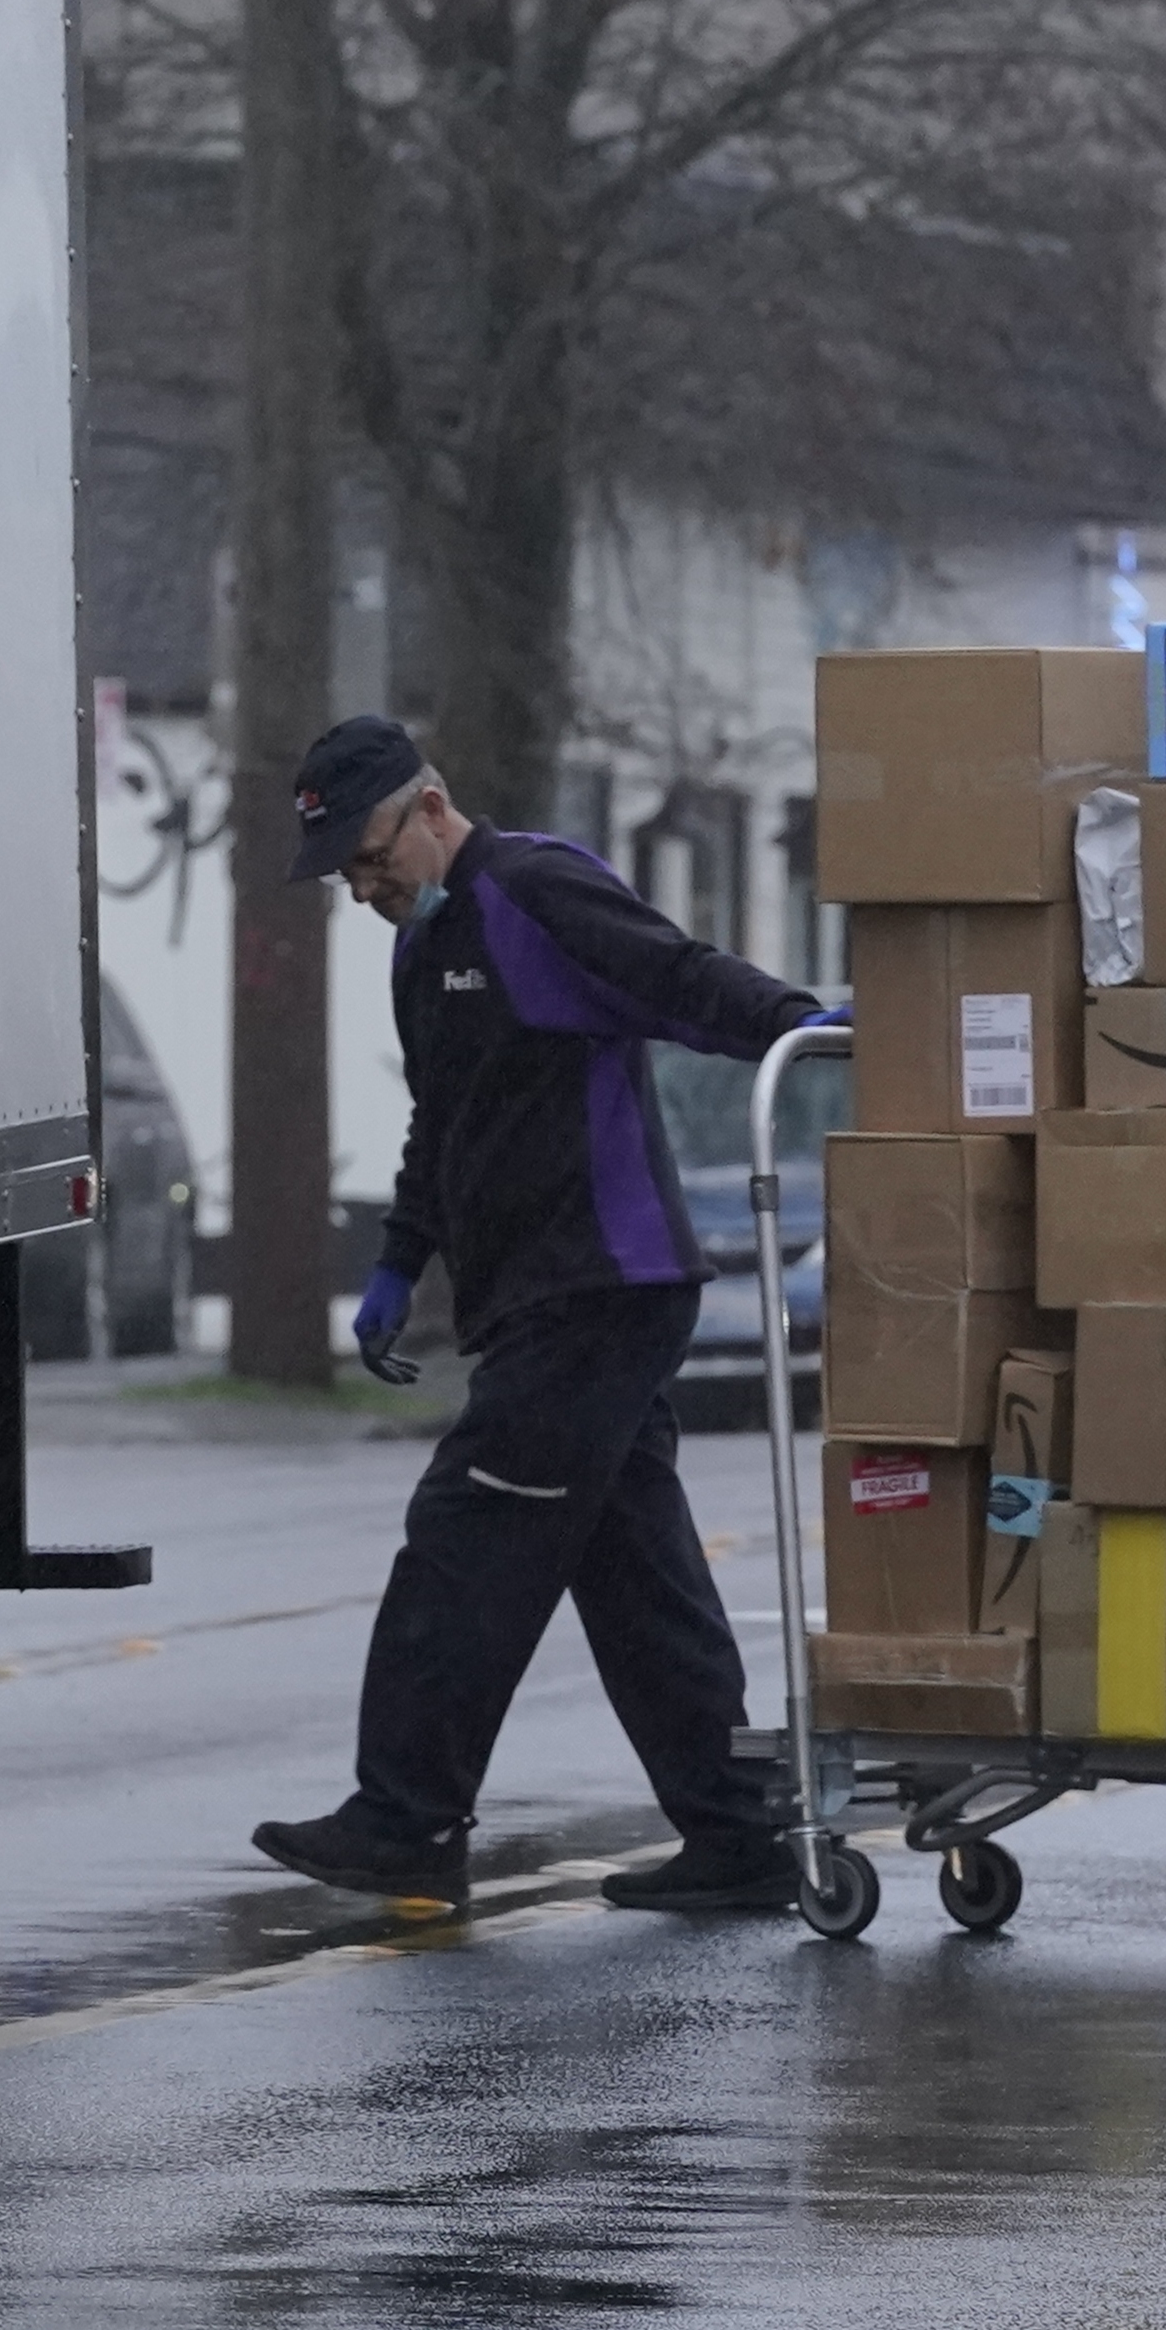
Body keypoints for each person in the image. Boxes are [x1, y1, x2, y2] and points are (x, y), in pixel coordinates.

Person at [252, 714, 827, 1914]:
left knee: (461, 1543)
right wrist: (398, 1262)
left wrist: (799, 1029)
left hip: (602, 1289)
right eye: (347, 878)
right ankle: (738, 1835)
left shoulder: (532, 890)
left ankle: (404, 1819)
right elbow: (439, 1122)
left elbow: (672, 978)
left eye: (370, 858)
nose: (363, 890)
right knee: (636, 1576)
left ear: (429, 806)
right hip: (535, 1301)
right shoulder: (423, 951)